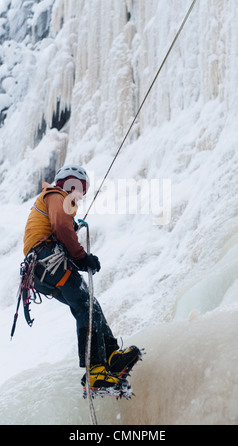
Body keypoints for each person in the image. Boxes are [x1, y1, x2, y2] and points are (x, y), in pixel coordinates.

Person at [23, 164, 141, 393]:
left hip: (41, 270)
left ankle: (112, 355)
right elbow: (60, 226)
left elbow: (58, 226)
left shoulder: (51, 201)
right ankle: (96, 371)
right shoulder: (55, 194)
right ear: (68, 183)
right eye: (78, 190)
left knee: (88, 305)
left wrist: (78, 256)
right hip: (47, 259)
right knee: (86, 306)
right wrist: (81, 257)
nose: (79, 196)